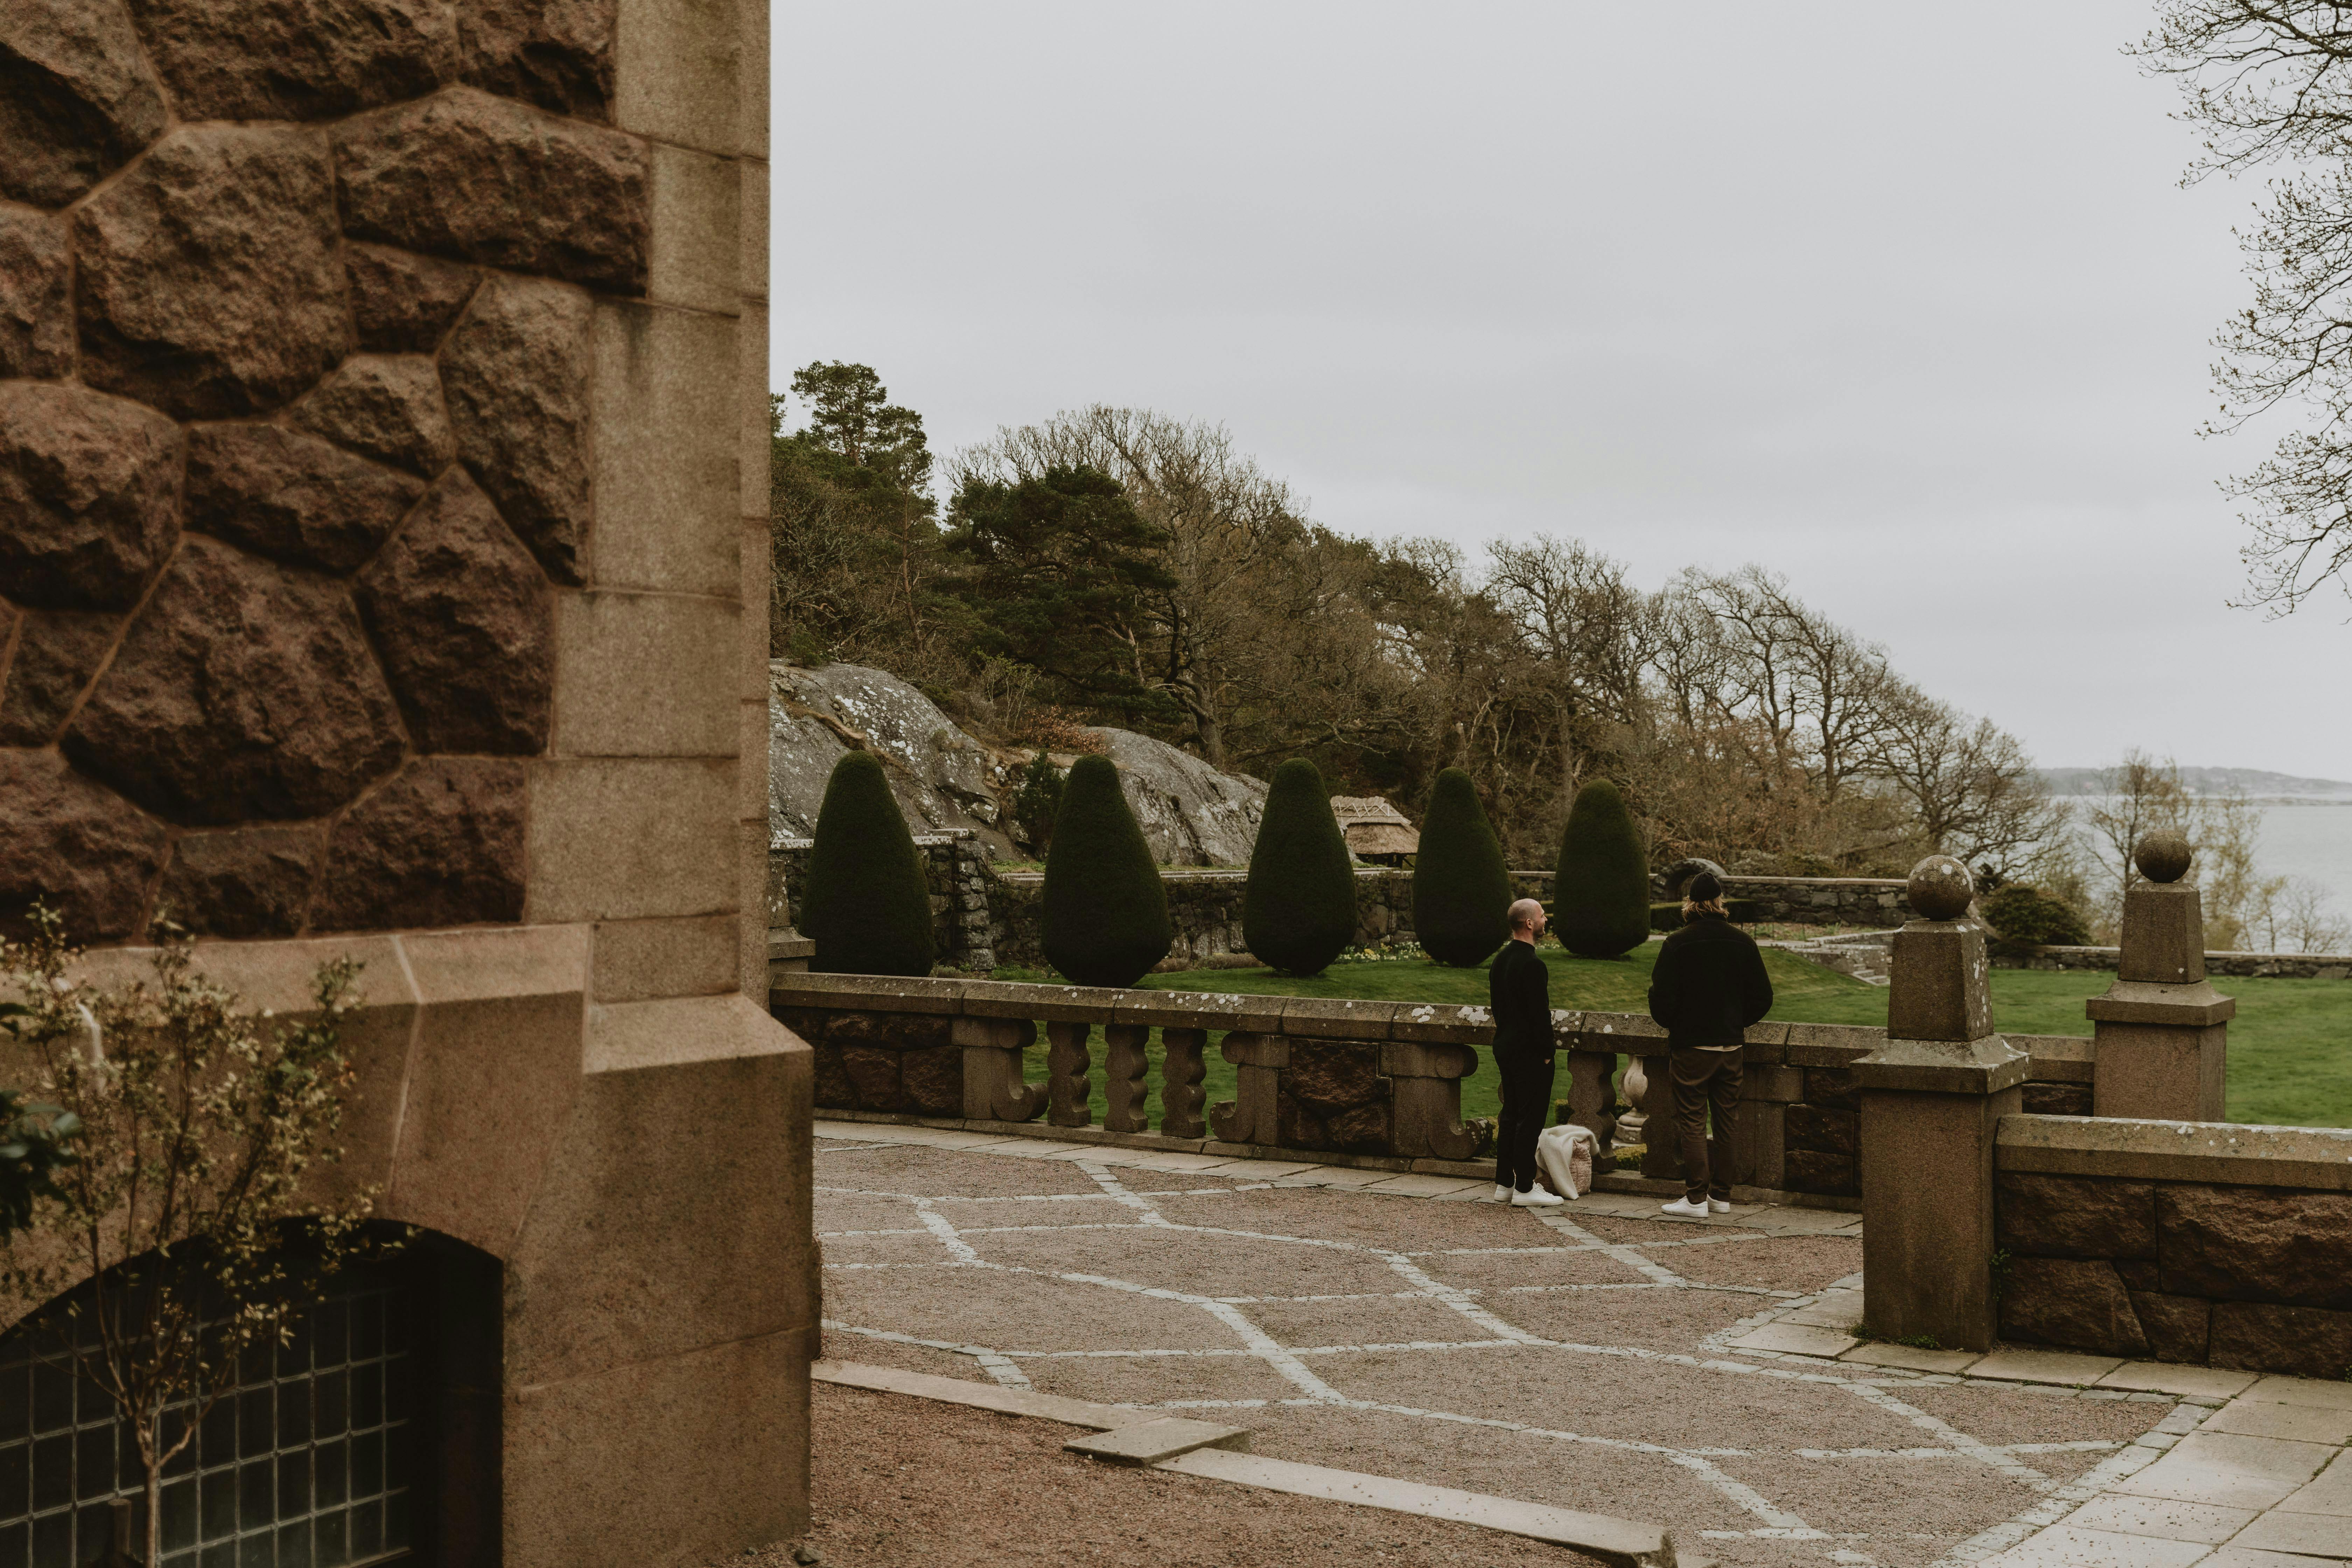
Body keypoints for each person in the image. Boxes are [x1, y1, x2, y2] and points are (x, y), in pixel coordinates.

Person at [1645, 872, 1772, 1218]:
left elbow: (1660, 1001)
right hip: (1730, 1047)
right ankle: (1722, 1196)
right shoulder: (1742, 942)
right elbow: (1763, 997)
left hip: (1691, 1048)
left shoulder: (1676, 943)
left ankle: (1696, 1198)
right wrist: (1734, 1023)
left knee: (1693, 1122)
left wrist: (1680, 1024)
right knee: (1727, 1122)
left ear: (1690, 902)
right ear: (1720, 902)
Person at [1488, 897, 1562, 1206]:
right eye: (1542, 916)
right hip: (1529, 1053)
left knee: (1510, 1116)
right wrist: (1548, 1052)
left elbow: (1499, 1009)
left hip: (1505, 1047)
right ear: (1529, 923)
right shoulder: (1532, 964)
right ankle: (1525, 1188)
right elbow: (1538, 1016)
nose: (1546, 920)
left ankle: (1504, 1184)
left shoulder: (1500, 960)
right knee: (1529, 1121)